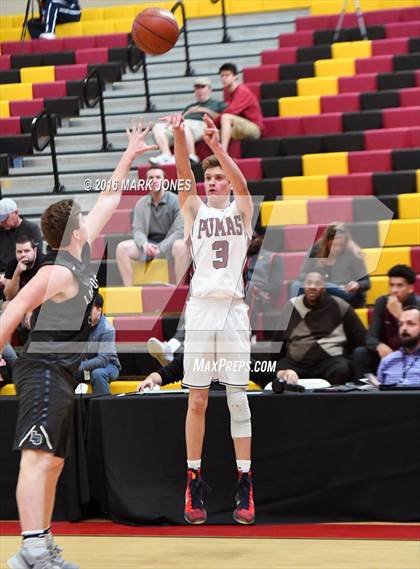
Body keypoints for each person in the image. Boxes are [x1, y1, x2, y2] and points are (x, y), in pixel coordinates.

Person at [0, 121, 156, 569]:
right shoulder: (55, 272)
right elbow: (11, 314)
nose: (91, 218)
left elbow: (110, 194)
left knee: (53, 464)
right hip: (42, 369)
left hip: (66, 371)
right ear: (72, 230)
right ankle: (30, 548)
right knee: (37, 457)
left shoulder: (81, 253)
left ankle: (40, 544)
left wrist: (129, 152)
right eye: (82, 218)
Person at [170, 112, 255, 525]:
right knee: (198, 399)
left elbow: (242, 185)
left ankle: (245, 482)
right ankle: (193, 478)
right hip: (202, 310)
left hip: (234, 311)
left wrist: (217, 146)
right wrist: (178, 136)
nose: (213, 182)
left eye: (218, 177)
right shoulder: (194, 213)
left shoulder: (242, 211)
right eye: (211, 178)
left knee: (238, 399)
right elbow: (184, 171)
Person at [274, 271, 366, 385]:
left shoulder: (340, 305)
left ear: (324, 287)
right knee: (273, 371)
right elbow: (277, 340)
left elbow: (360, 337)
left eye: (317, 283)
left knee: (342, 369)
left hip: (329, 363)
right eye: (309, 283)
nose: (312, 286)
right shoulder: (291, 306)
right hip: (296, 364)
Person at [115, 167, 189, 286]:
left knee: (182, 246)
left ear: (165, 181)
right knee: (121, 248)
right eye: (151, 178)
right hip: (149, 245)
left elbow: (180, 231)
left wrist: (161, 247)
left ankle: (179, 290)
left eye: (158, 177)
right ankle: (129, 291)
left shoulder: (176, 201)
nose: (154, 180)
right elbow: (138, 230)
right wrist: (144, 244)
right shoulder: (141, 203)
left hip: (170, 245)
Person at [353, 264, 419, 380]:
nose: (394, 290)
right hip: (386, 353)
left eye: (399, 286)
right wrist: (379, 346)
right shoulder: (382, 302)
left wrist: (399, 315)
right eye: (391, 285)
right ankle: (363, 391)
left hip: (411, 352)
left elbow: (414, 340)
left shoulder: (417, 305)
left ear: (410, 288)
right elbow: (371, 337)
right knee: (360, 353)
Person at [149, 77, 226, 166]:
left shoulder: (217, 104)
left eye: (202, 87)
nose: (199, 90)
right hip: (186, 123)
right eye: (197, 88)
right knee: (157, 127)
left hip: (201, 124)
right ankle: (166, 155)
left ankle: (192, 156)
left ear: (209, 89)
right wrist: (174, 119)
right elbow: (182, 118)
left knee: (184, 125)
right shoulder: (190, 107)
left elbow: (221, 117)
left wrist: (203, 110)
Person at [291, 222, 370, 308]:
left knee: (327, 287)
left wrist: (357, 284)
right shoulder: (316, 249)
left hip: (343, 292)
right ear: (326, 242)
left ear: (346, 242)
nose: (337, 248)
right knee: (296, 286)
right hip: (320, 290)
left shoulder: (352, 254)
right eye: (334, 245)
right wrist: (314, 280)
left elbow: (366, 282)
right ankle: (296, 314)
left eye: (341, 245)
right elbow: (302, 275)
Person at [76, 294, 121, 395]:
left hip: (109, 365)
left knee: (98, 374)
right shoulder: (80, 326)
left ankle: (105, 408)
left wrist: (78, 365)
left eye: (89, 309)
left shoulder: (107, 329)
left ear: (99, 310)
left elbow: (102, 360)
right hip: (84, 366)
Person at [0, 198, 42, 301]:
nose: (2, 222)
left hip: (23, 274)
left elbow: (35, 257)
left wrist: (8, 277)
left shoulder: (31, 228)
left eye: (5, 218)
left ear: (16, 213)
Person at [218, 62, 264, 151]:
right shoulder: (228, 92)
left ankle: (223, 153)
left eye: (227, 75)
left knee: (226, 117)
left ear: (235, 77)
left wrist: (212, 122)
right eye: (222, 76)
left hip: (254, 128)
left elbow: (231, 111)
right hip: (240, 126)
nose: (224, 78)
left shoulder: (242, 91)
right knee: (212, 134)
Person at [376, 306, 420, 386]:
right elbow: (379, 395)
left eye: (410, 323)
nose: (404, 328)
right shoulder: (387, 361)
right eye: (400, 324)